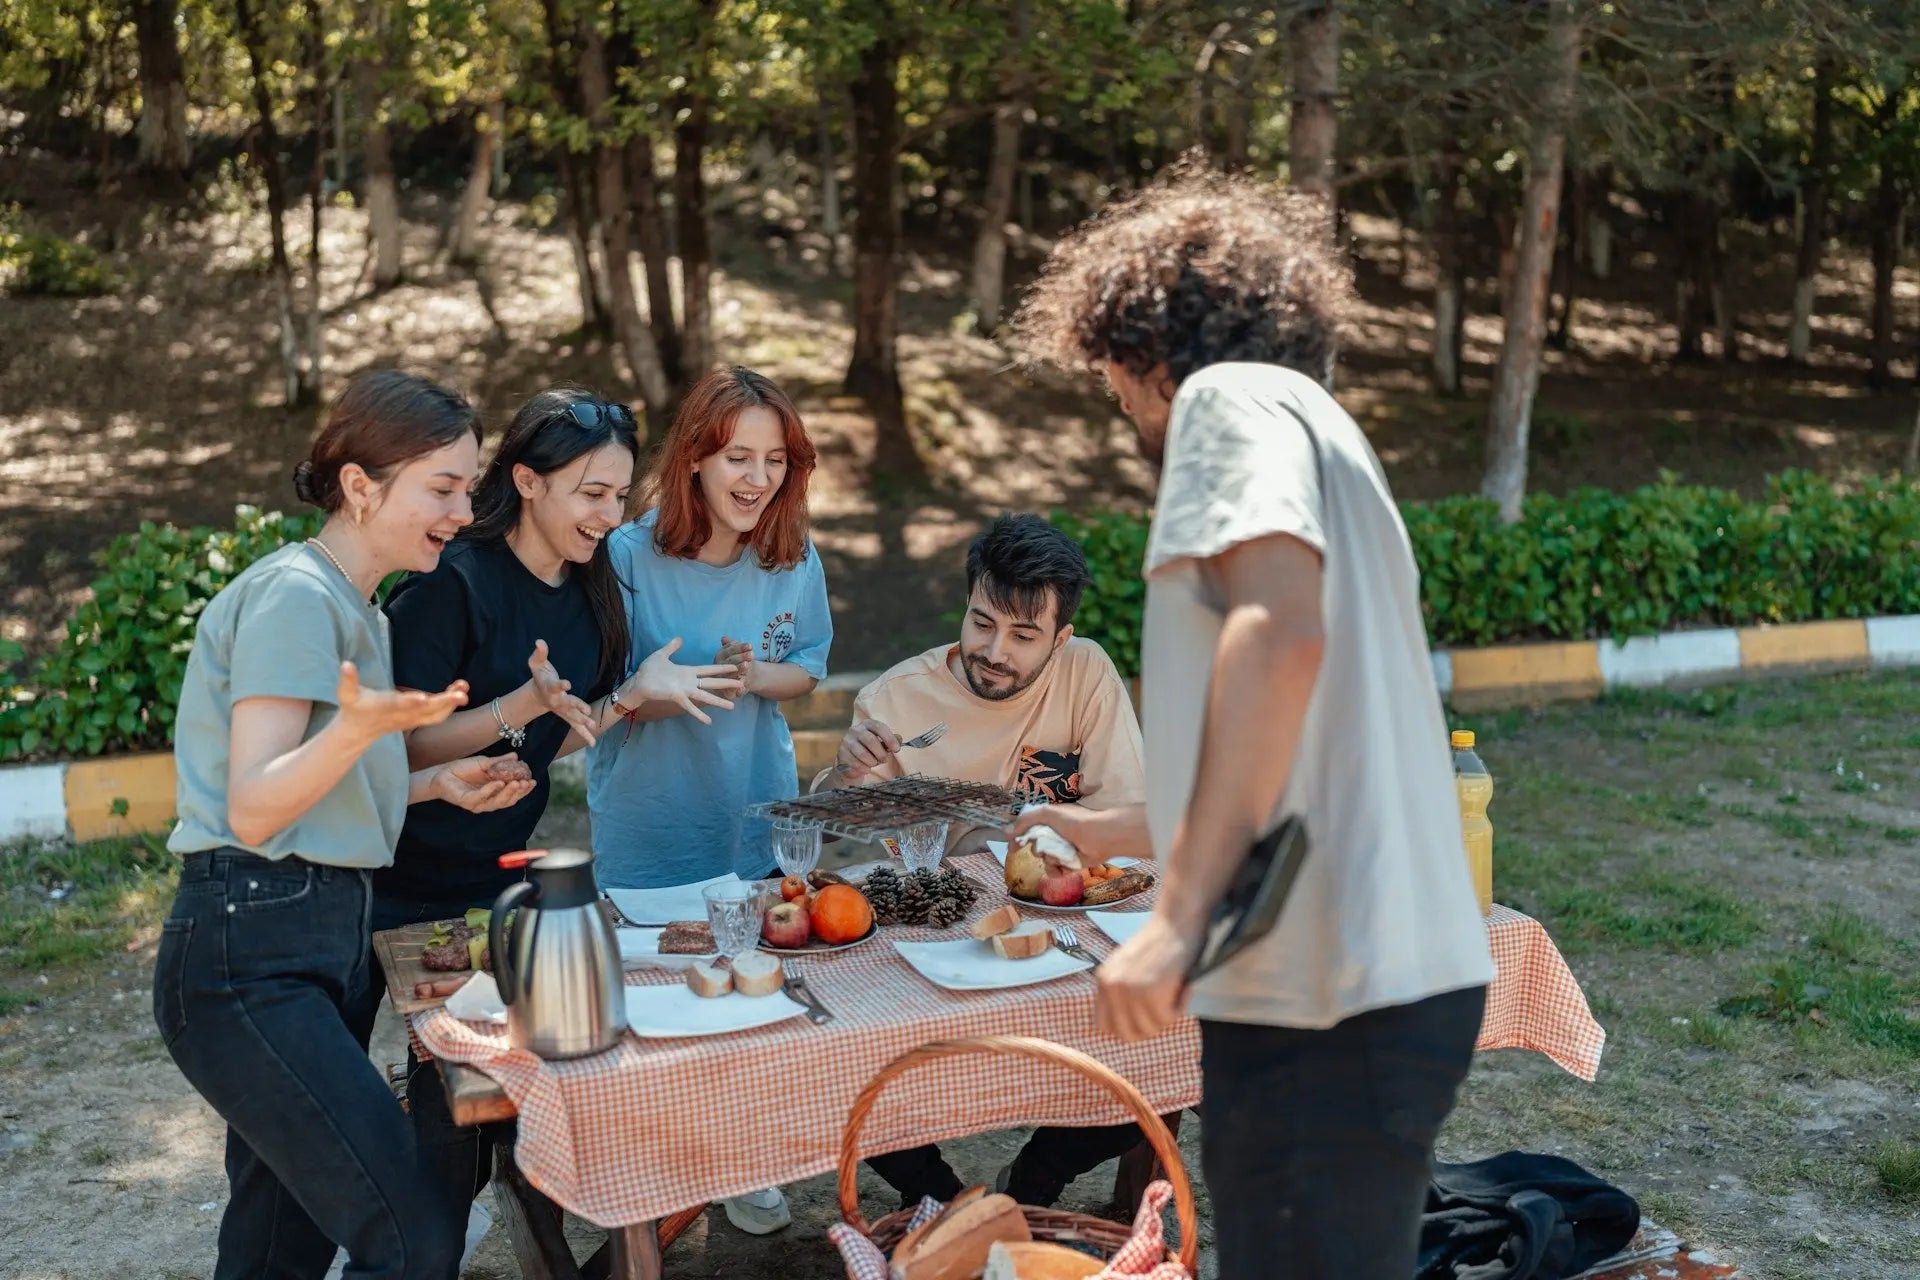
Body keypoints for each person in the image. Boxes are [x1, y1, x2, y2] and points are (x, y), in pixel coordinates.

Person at [1011, 159, 1496, 1278]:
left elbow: (1281, 633)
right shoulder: (1316, 424)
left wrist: (1176, 917)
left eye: (1110, 377)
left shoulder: (1224, 402)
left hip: (1326, 994)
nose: (1114, 403)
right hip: (1371, 980)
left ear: (1145, 346)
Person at [153, 370, 540, 1280]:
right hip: (249, 951)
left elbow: (312, 790)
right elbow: (255, 804)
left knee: (280, 1243)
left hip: (300, 939)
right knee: (412, 1233)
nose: (461, 510)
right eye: (440, 488)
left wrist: (437, 782)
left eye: (466, 488)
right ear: (362, 486)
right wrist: (368, 729)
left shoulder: (354, 606)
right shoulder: (299, 596)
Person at [345, 387, 740, 1252]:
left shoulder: (595, 593)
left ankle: (472, 1249)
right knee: (324, 1109)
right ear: (527, 480)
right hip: (378, 878)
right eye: (591, 494)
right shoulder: (453, 581)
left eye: (619, 495)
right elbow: (394, 745)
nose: (609, 515)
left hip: (489, 881)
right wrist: (516, 705)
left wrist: (624, 701)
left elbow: (547, 745)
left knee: (470, 1102)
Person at [822, 512, 1156, 1209]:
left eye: (1024, 635)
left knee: (1158, 1042)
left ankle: (1036, 1181)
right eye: (982, 623)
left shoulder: (1086, 671)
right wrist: (845, 778)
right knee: (855, 1068)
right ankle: (949, 1204)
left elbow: (1125, 826)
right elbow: (826, 838)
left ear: (1060, 640)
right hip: (937, 944)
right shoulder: (895, 700)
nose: (995, 650)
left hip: (1066, 928)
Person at [587, 365, 830, 1234]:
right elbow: (595, 698)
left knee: (754, 1000)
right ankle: (657, 1170)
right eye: (735, 455)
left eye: (773, 459)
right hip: (649, 827)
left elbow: (806, 667)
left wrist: (753, 673)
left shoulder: (792, 558)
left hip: (752, 818)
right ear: (694, 458)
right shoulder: (623, 556)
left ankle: (742, 1158)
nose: (755, 478)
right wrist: (662, 688)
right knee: (659, 1009)